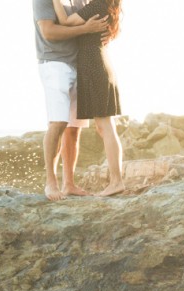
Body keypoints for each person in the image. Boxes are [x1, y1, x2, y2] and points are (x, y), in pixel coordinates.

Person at [33, 0, 109, 201]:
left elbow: (94, 23)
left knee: (74, 129)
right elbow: (49, 32)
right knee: (58, 123)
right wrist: (85, 29)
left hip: (79, 64)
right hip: (54, 63)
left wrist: (102, 32)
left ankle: (69, 184)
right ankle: (51, 182)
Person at [51, 0, 125, 196]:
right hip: (98, 65)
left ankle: (116, 181)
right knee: (105, 126)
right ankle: (116, 180)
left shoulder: (96, 5)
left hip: (95, 68)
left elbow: (65, 21)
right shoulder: (101, 5)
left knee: (105, 126)